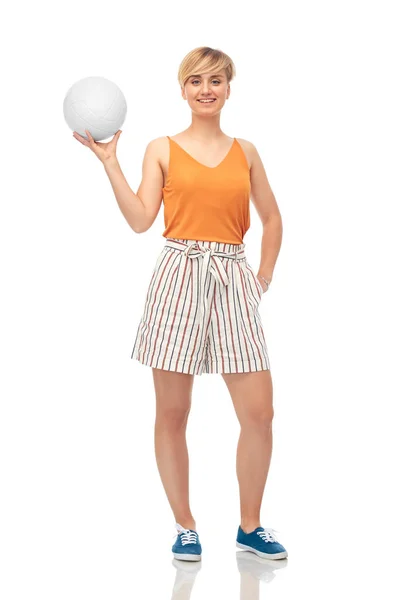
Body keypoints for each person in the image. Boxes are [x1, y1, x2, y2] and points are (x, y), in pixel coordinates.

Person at [73, 46, 287, 562]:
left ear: (229, 89)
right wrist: (110, 164)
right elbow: (142, 219)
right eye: (196, 81)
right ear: (183, 89)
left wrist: (261, 276)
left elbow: (272, 219)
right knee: (173, 412)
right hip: (178, 276)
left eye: (216, 80)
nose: (206, 89)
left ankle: (250, 527)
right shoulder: (161, 148)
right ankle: (185, 526)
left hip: (232, 277)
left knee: (259, 413)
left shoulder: (248, 151)